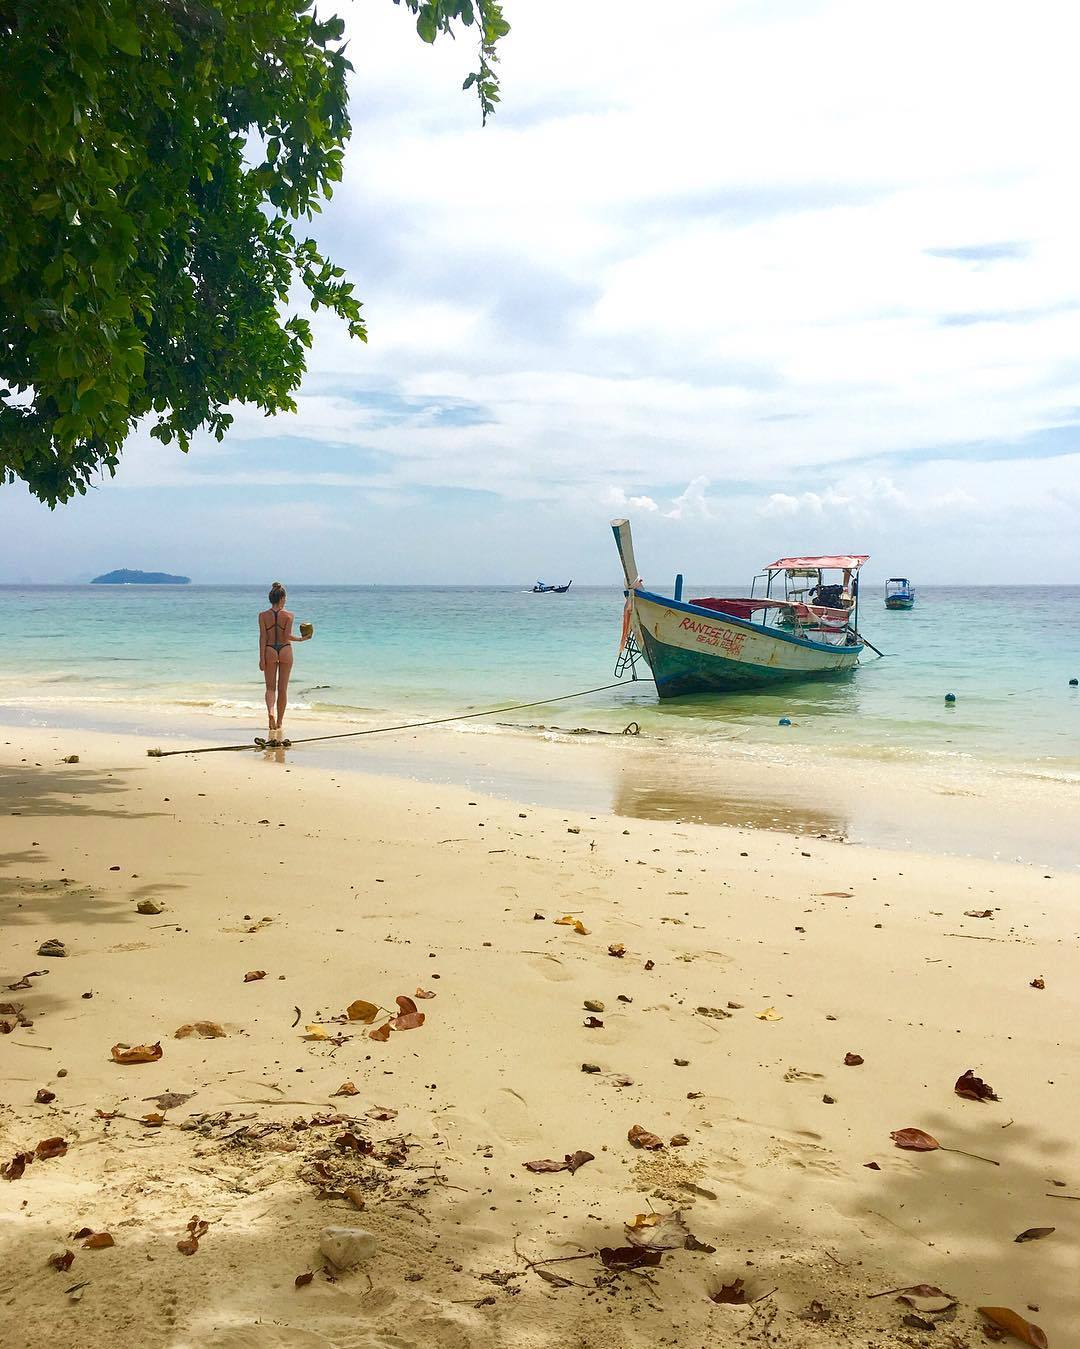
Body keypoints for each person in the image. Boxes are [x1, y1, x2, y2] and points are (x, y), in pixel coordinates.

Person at [258, 582, 311, 745]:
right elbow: (287, 635)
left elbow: (263, 638)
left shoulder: (262, 616)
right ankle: (280, 722)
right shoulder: (289, 615)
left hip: (269, 650)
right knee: (283, 689)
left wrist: (261, 658)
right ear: (282, 598)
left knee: (270, 688)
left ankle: (271, 713)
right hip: (285, 650)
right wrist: (301, 639)